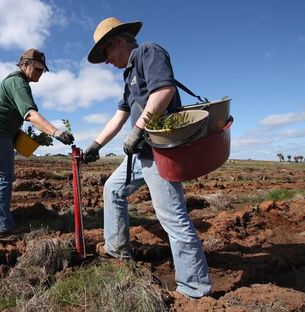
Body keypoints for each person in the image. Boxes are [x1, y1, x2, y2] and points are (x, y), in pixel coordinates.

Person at [83, 17, 212, 298]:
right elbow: (121, 115)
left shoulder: (148, 52)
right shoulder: (128, 75)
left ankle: (195, 290)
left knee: (173, 219)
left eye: (105, 53)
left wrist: (139, 129)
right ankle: (117, 250)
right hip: (141, 153)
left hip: (159, 152)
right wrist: (95, 144)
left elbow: (164, 90)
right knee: (113, 189)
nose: (107, 61)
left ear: (118, 42)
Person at [0, 48, 74, 237]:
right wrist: (55, 132)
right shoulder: (19, 83)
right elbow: (30, 114)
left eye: (43, 71)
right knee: (3, 178)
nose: (41, 74)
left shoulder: (13, 81)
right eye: (37, 69)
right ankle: (3, 227)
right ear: (24, 65)